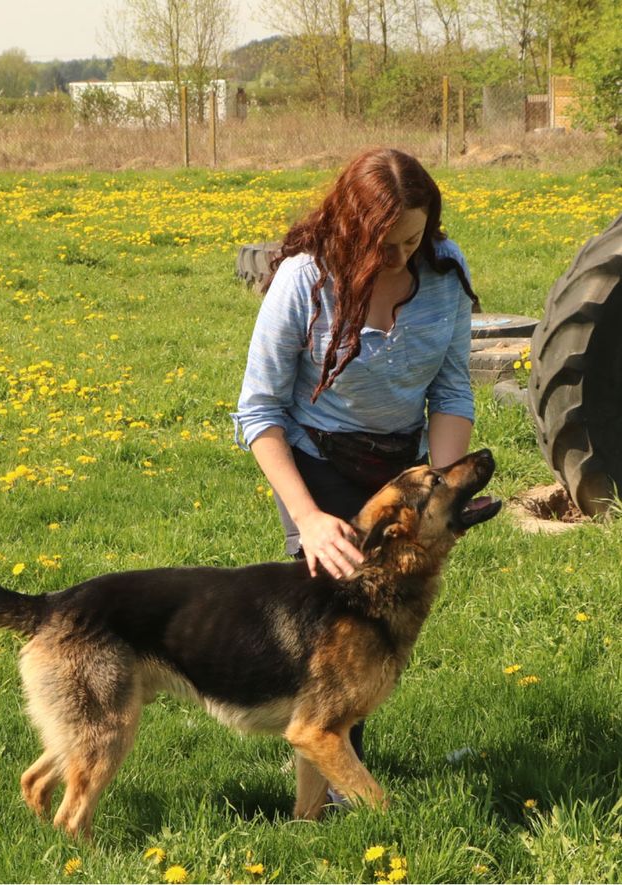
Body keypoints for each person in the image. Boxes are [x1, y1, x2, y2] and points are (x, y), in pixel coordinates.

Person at [232, 148, 479, 786]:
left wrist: (445, 493)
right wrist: (309, 517)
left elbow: (451, 392)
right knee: (337, 629)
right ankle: (337, 788)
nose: (398, 257)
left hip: (401, 469)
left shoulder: (446, 276)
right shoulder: (304, 280)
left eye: (411, 240)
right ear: (349, 227)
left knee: (385, 624)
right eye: (383, 244)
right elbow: (257, 412)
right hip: (317, 464)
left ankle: (331, 783)